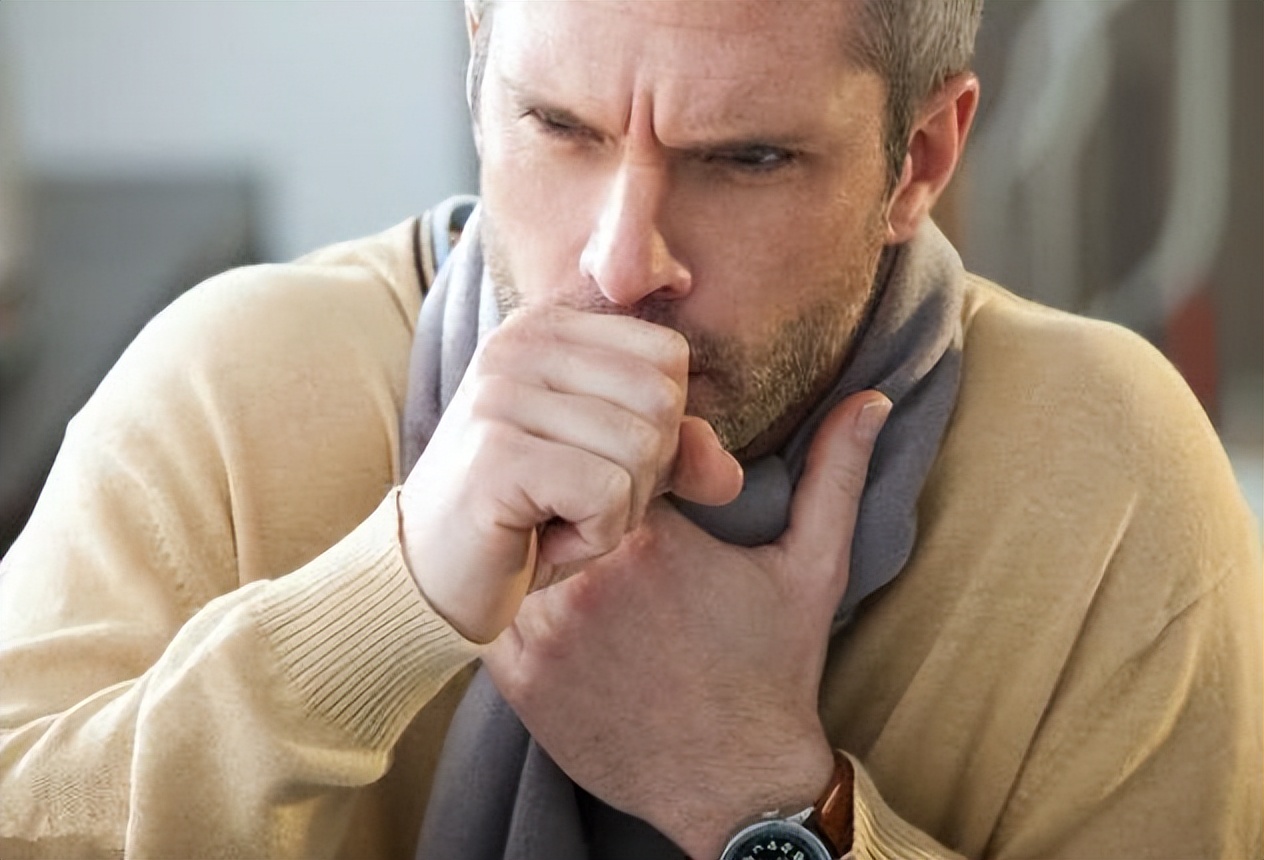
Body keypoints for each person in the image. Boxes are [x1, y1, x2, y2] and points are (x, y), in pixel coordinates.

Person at [1, 1, 1260, 858]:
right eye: (558, 127)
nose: (620, 264)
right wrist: (391, 600)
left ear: (918, 159)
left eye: (745, 159)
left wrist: (758, 796)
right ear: (478, 71)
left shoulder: (1108, 480)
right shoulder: (233, 385)